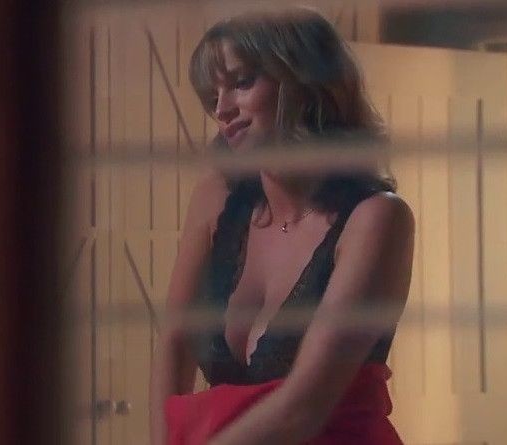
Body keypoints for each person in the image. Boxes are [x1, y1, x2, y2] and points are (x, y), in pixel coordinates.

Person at [149, 7, 414, 445]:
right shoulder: (217, 198)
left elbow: (303, 406)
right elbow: (176, 341)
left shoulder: (376, 219)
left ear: (303, 82)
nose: (221, 109)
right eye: (212, 95)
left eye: (241, 82)